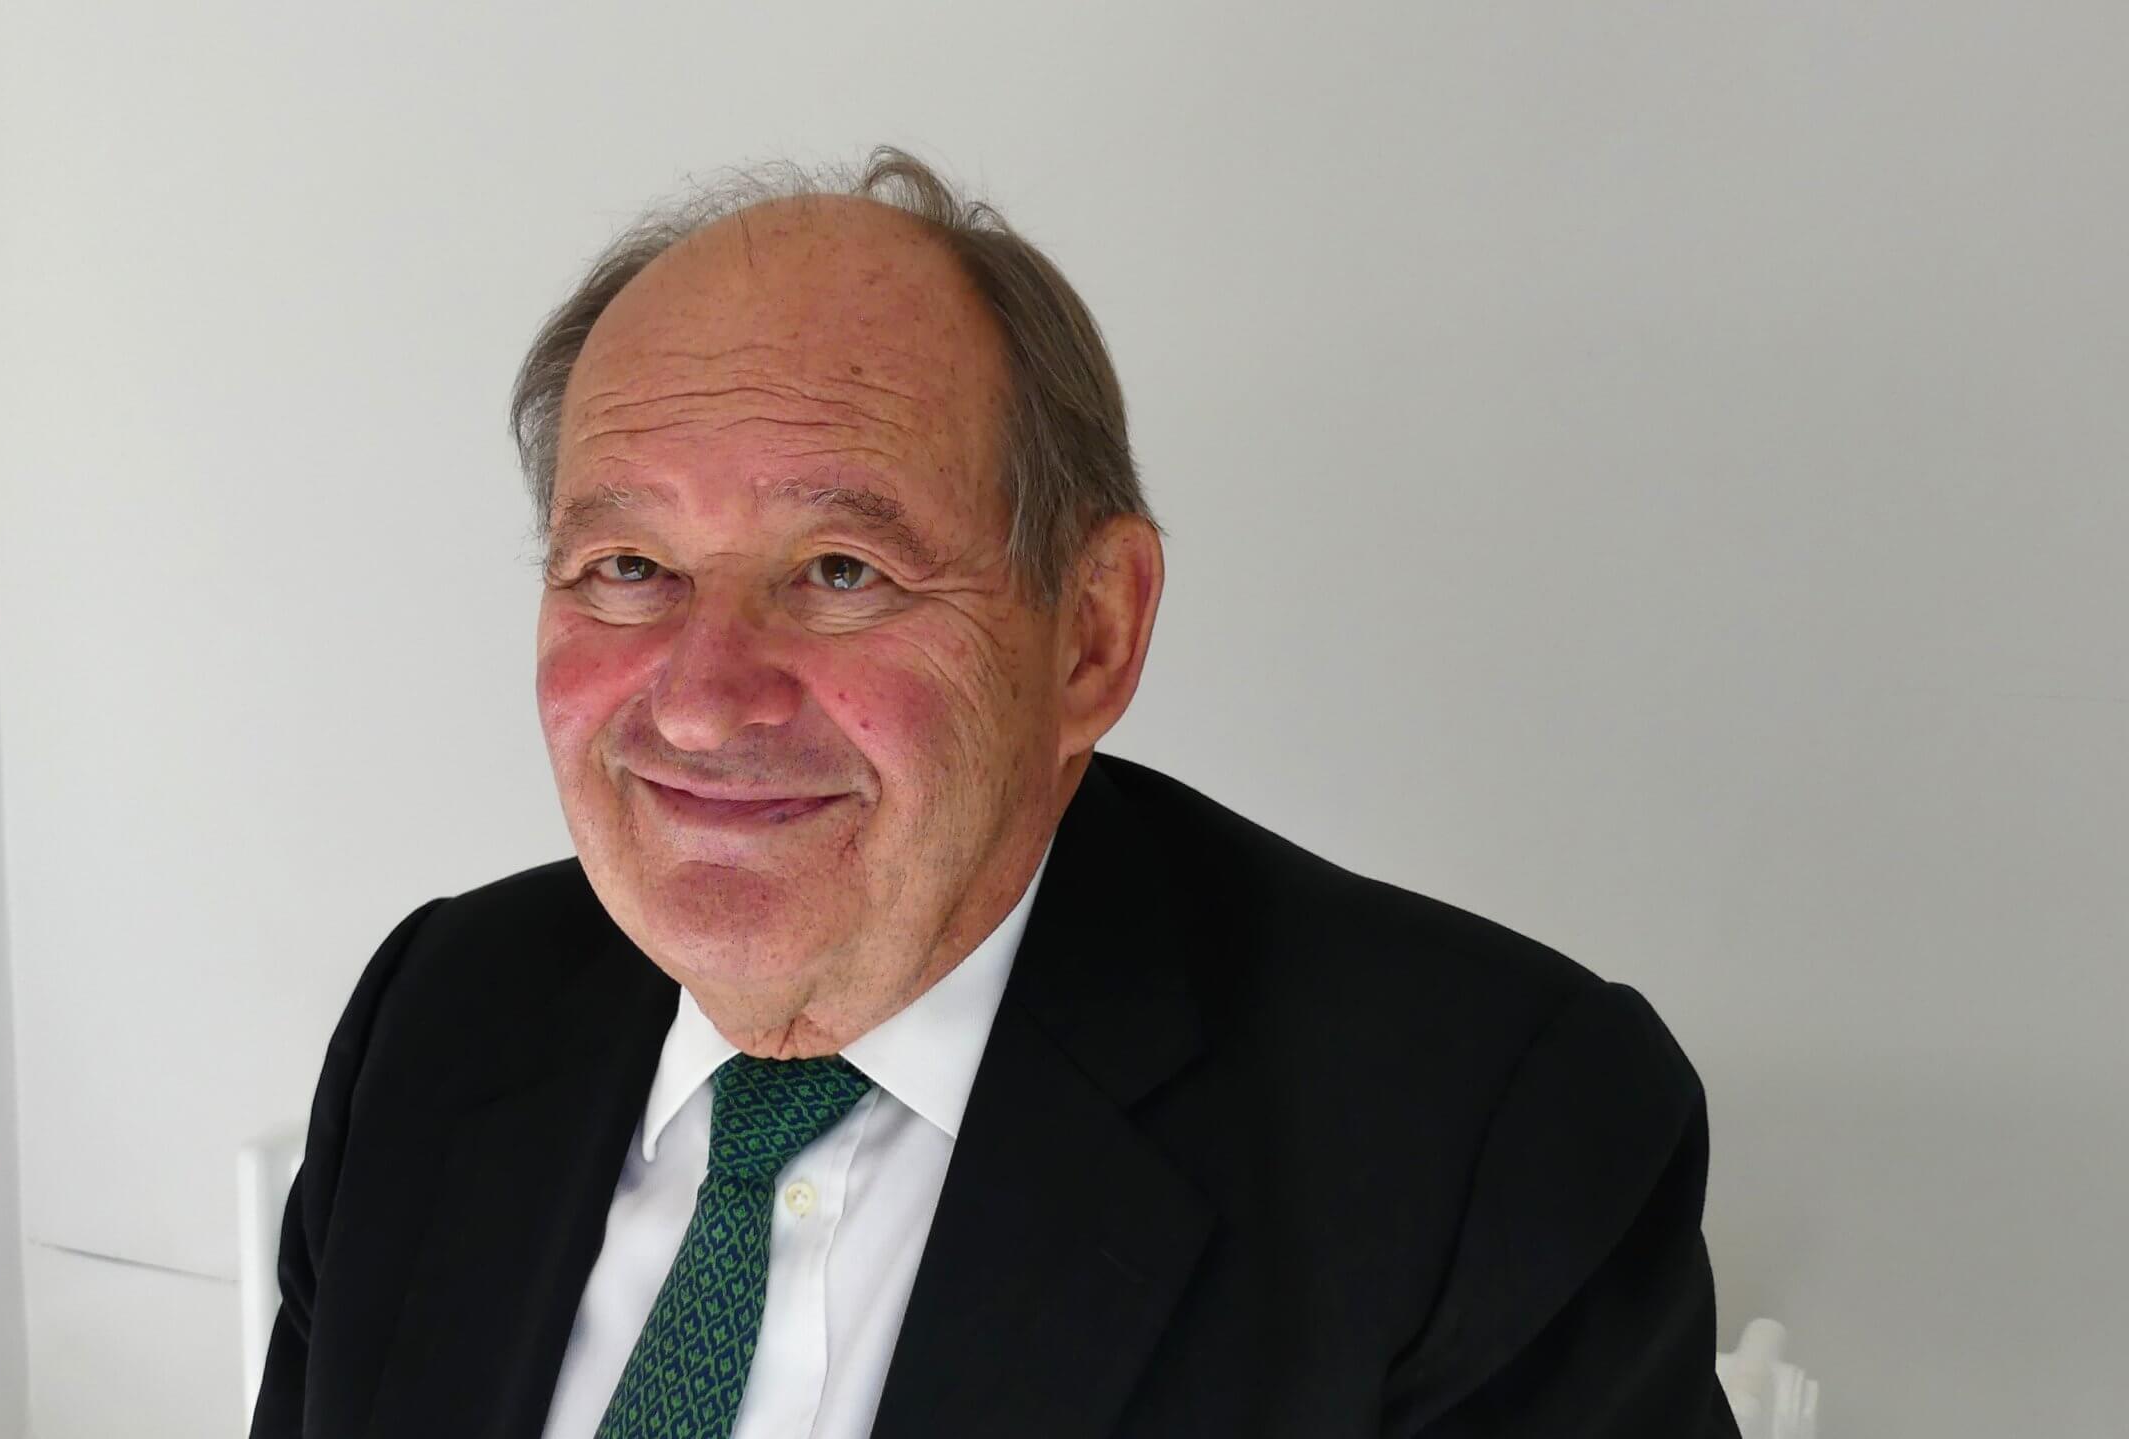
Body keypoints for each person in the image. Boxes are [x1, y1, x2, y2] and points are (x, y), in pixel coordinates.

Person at [249, 148, 1739, 1439]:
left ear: (1089, 635)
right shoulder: (439, 1022)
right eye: (629, 569)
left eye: (842, 574)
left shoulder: (1479, 1140)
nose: (703, 699)